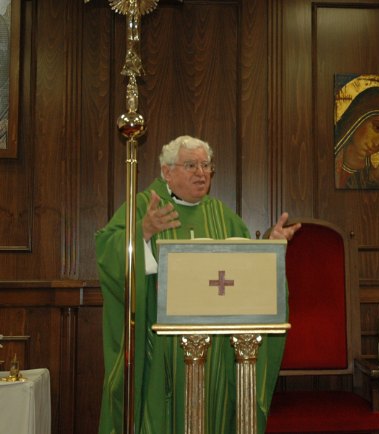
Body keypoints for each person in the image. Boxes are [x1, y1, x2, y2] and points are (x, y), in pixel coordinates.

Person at [96, 135, 301, 434]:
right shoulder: (144, 207)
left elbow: (247, 272)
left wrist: (270, 247)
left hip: (218, 354)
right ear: (167, 172)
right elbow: (108, 251)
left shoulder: (222, 217)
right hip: (162, 352)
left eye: (205, 165)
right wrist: (141, 233)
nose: (201, 173)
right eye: (190, 165)